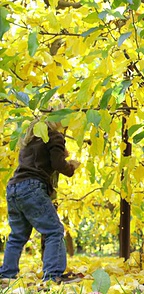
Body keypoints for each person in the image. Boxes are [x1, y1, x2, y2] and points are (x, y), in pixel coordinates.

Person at [0, 118, 80, 284]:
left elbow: (43, 158)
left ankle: (6, 275)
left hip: (14, 188)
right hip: (32, 187)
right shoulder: (54, 135)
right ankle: (52, 276)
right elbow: (57, 163)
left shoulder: (30, 139)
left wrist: (59, 152)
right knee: (54, 230)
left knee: (17, 236)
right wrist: (71, 166)